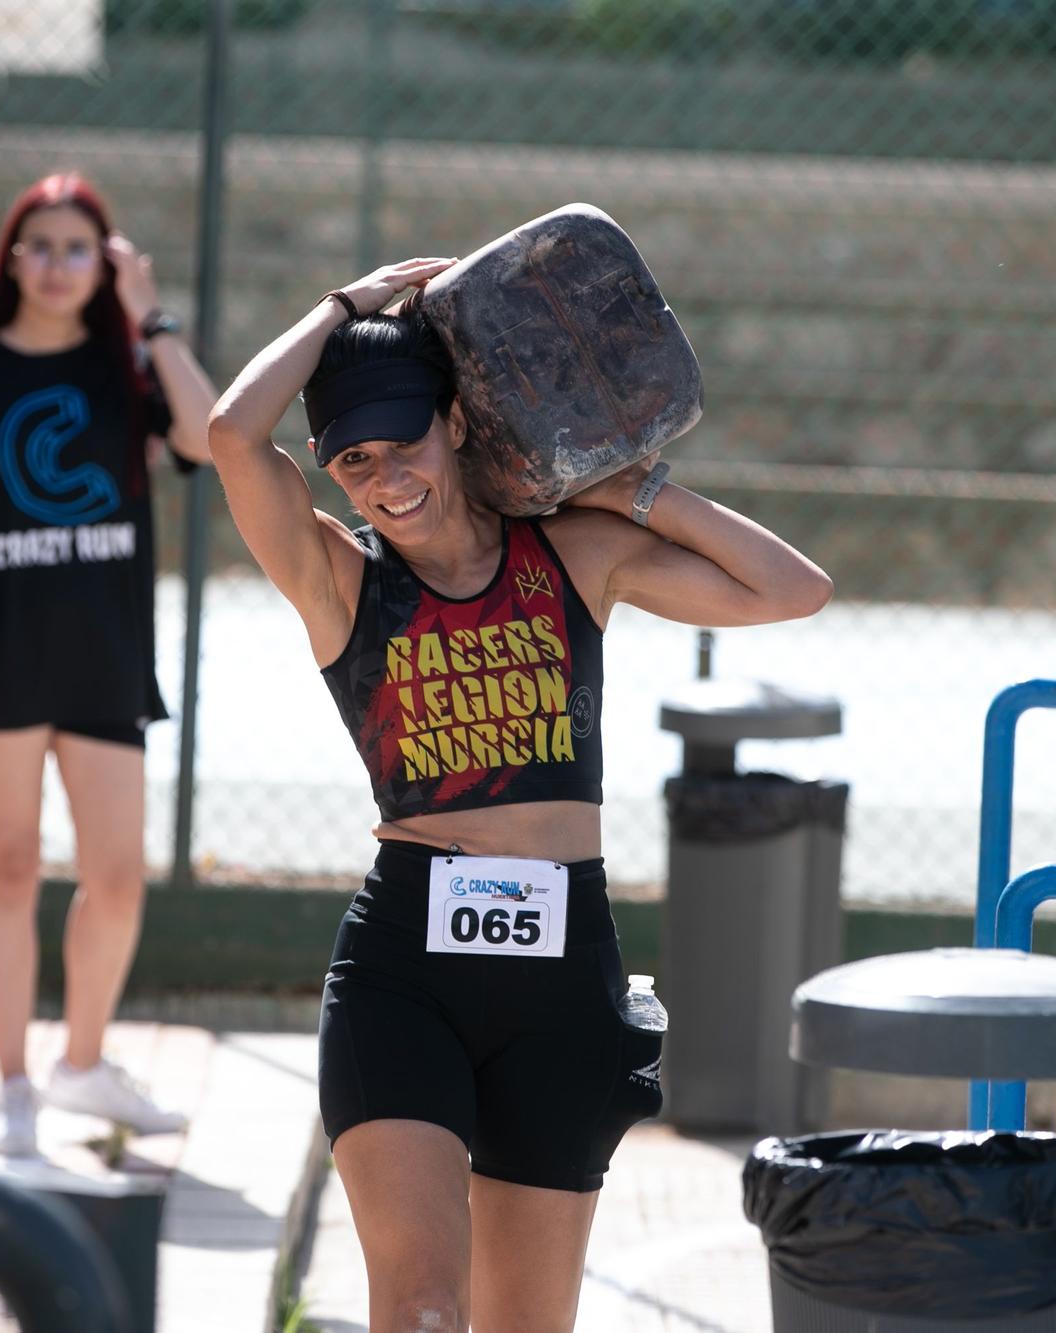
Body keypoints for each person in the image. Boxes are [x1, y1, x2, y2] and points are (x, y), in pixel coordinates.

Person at [207, 258, 832, 1330]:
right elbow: (229, 434)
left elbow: (790, 589)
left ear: (454, 421)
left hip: (560, 983)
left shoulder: (571, 556)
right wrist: (343, 305)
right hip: (405, 971)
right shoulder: (343, 581)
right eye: (352, 463)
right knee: (420, 1311)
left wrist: (628, 486)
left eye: (402, 443)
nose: (383, 479)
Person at [0, 172, 215, 1157]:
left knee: (114, 877)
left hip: (102, 653)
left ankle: (83, 1064)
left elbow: (204, 437)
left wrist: (154, 319)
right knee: (11, 862)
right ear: (11, 258)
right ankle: (16, 1084)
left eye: (80, 247)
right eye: (42, 245)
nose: (60, 264)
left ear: (106, 262)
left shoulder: (130, 370)